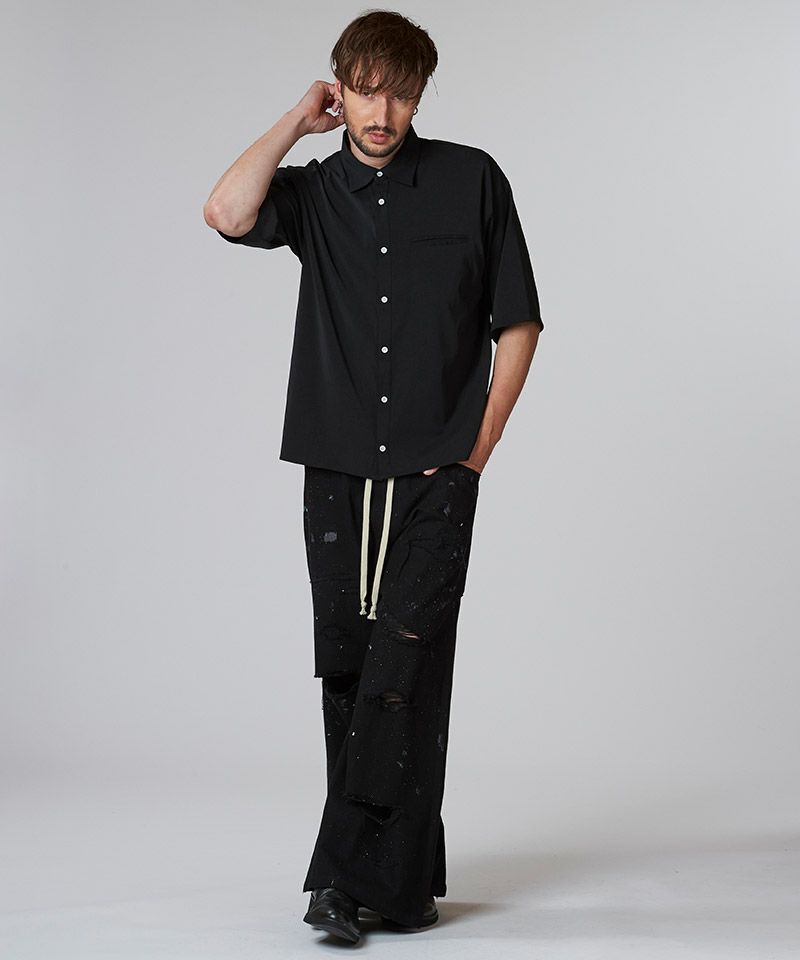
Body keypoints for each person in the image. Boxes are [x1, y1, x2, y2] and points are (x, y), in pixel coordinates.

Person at [203, 9, 543, 944]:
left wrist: (475, 454)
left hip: (436, 472)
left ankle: (337, 882)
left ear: (421, 95)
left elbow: (518, 322)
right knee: (352, 676)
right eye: (363, 91)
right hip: (338, 468)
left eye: (399, 93)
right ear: (339, 89)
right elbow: (226, 212)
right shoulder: (314, 194)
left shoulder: (473, 179)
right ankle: (399, 885)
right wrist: (293, 122)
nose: (381, 112)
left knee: (406, 668)